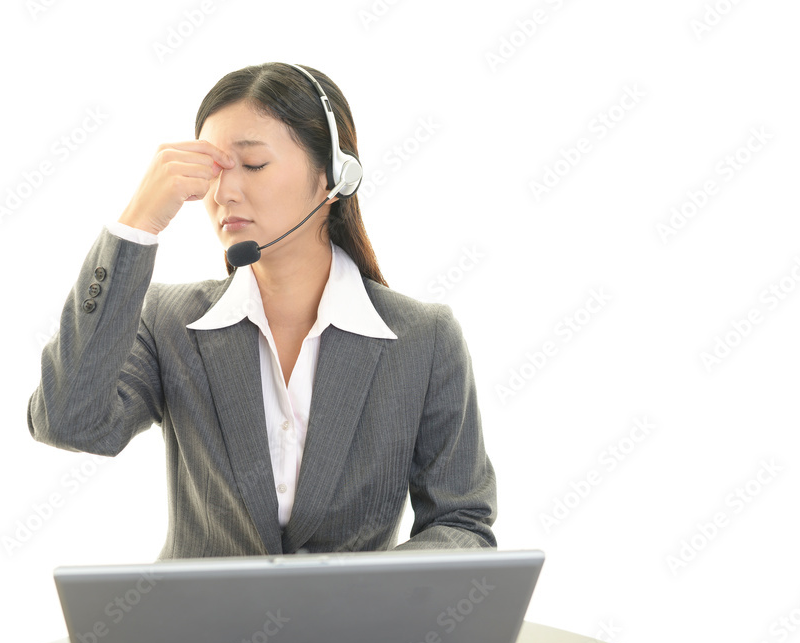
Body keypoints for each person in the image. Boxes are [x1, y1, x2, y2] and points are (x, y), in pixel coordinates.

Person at [27, 62, 496, 558]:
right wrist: (137, 224)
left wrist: (362, 589)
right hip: (195, 612)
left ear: (334, 176)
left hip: (358, 614)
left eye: (252, 165)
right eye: (212, 171)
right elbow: (68, 421)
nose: (223, 193)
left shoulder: (425, 338)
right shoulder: (167, 321)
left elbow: (461, 523)